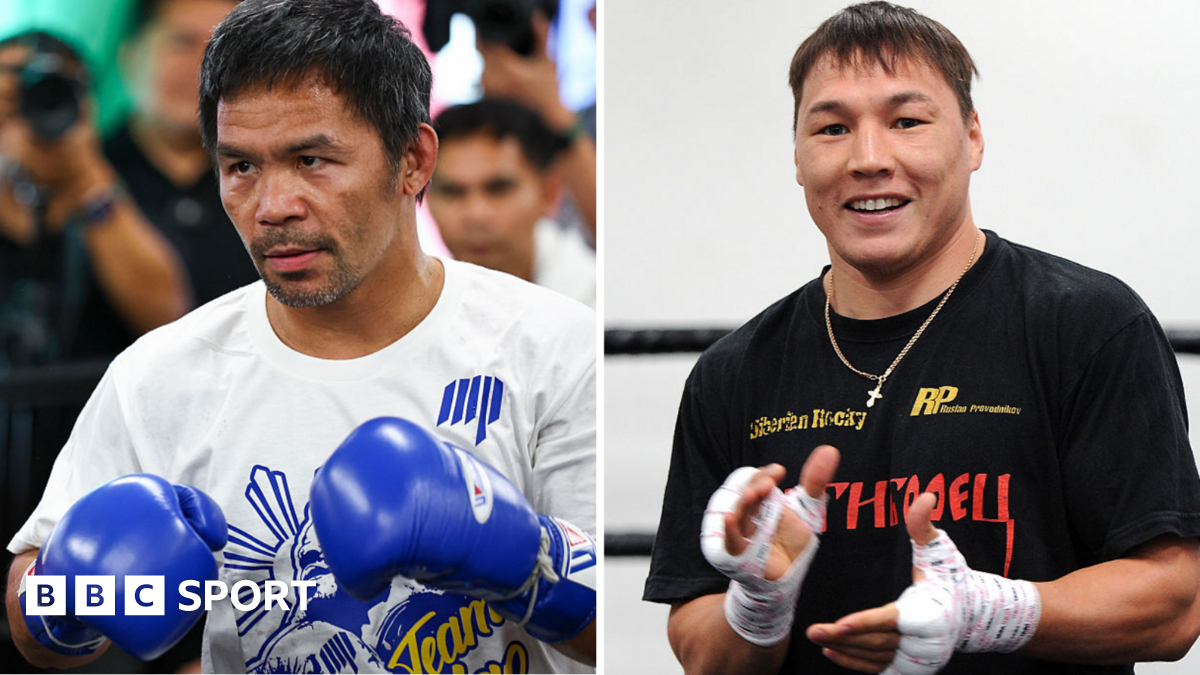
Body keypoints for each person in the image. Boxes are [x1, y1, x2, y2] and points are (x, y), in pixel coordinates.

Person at [4, 1, 596, 673]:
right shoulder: (161, 375)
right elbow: (32, 612)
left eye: (311, 159)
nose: (272, 206)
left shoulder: (554, 348)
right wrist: (63, 601)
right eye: (241, 168)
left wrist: (521, 561)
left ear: (412, 160)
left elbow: (625, 636)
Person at [643, 3, 1200, 674]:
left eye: (907, 121)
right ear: (796, 156)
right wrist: (759, 601)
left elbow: (1175, 604)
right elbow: (706, 658)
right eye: (831, 127)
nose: (869, 158)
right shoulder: (732, 374)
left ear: (973, 138)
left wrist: (990, 611)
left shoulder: (1088, 326)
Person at [429, 99, 596, 308]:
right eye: (453, 192)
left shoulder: (592, 303)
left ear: (549, 193)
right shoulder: (418, 310)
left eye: (499, 189)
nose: (475, 214)